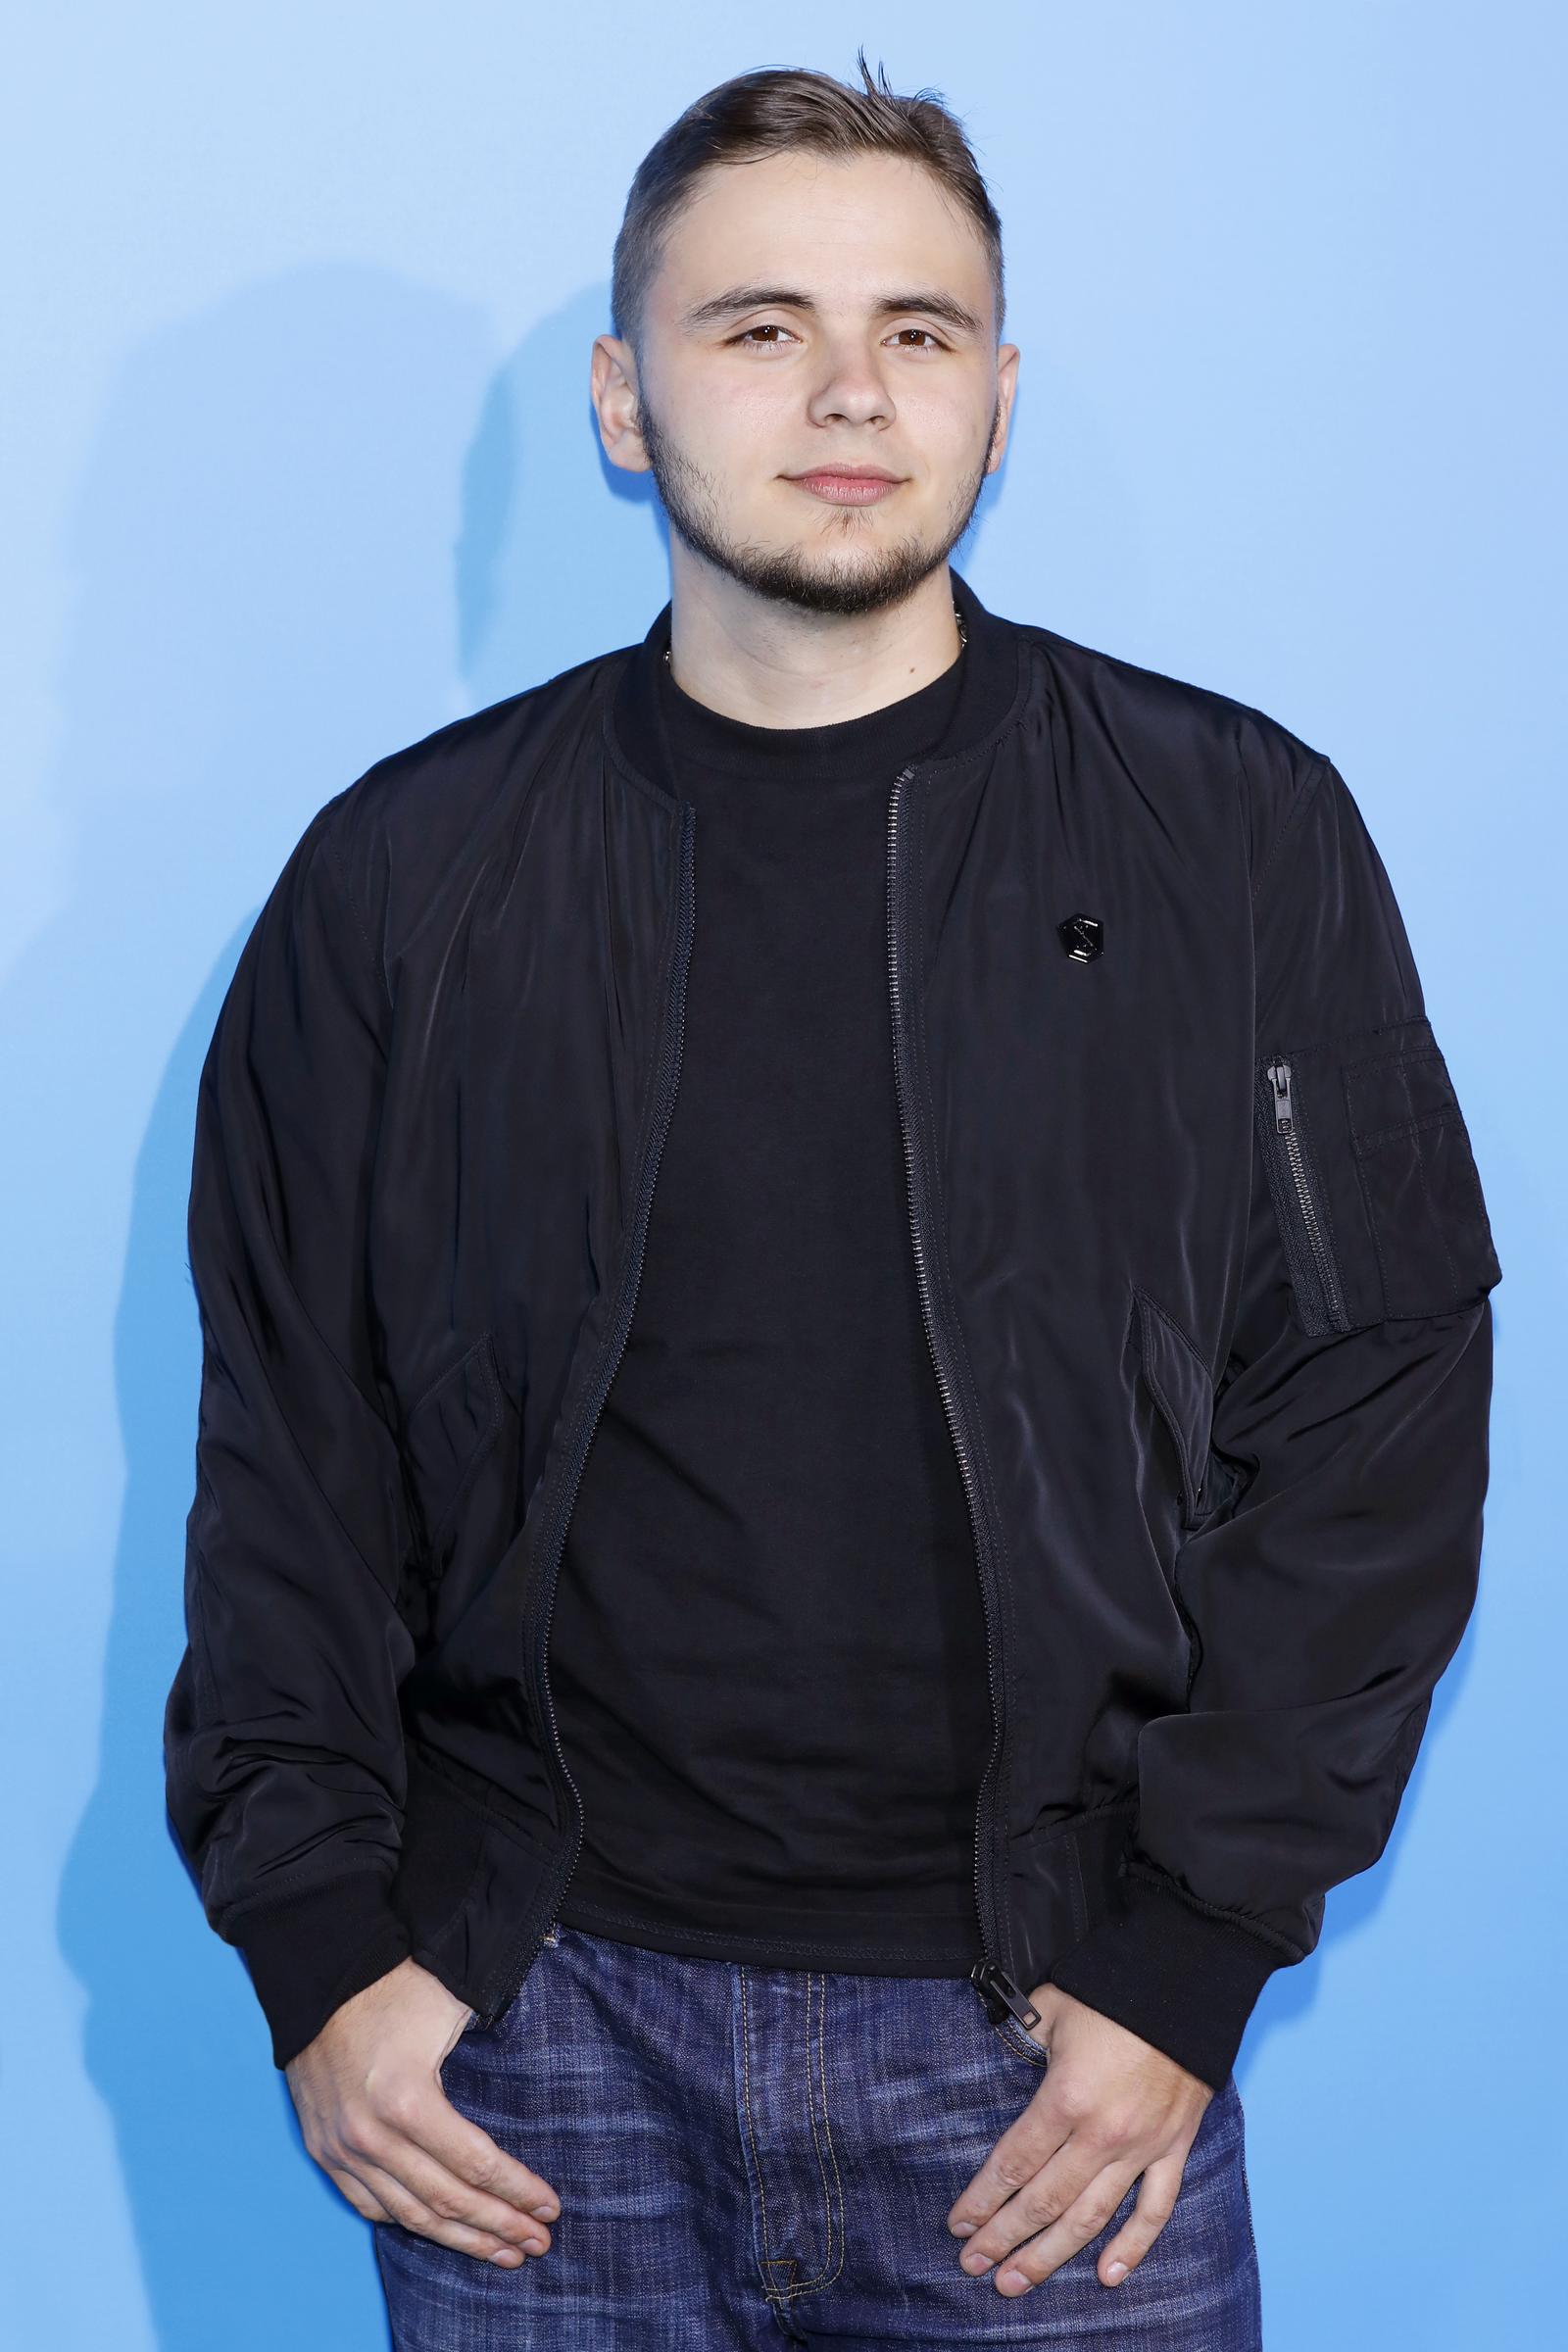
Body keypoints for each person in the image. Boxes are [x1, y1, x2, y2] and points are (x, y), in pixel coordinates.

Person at [163, 52, 1502, 2351]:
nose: (847, 392)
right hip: (529, 2038)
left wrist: (1176, 1964)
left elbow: (1376, 1409)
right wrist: (326, 1962)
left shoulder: (1234, 836)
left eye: (916, 329)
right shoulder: (402, 877)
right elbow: (290, 1443)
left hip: (1044, 2053)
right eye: (756, 326)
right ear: (623, 396)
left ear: (998, 393)